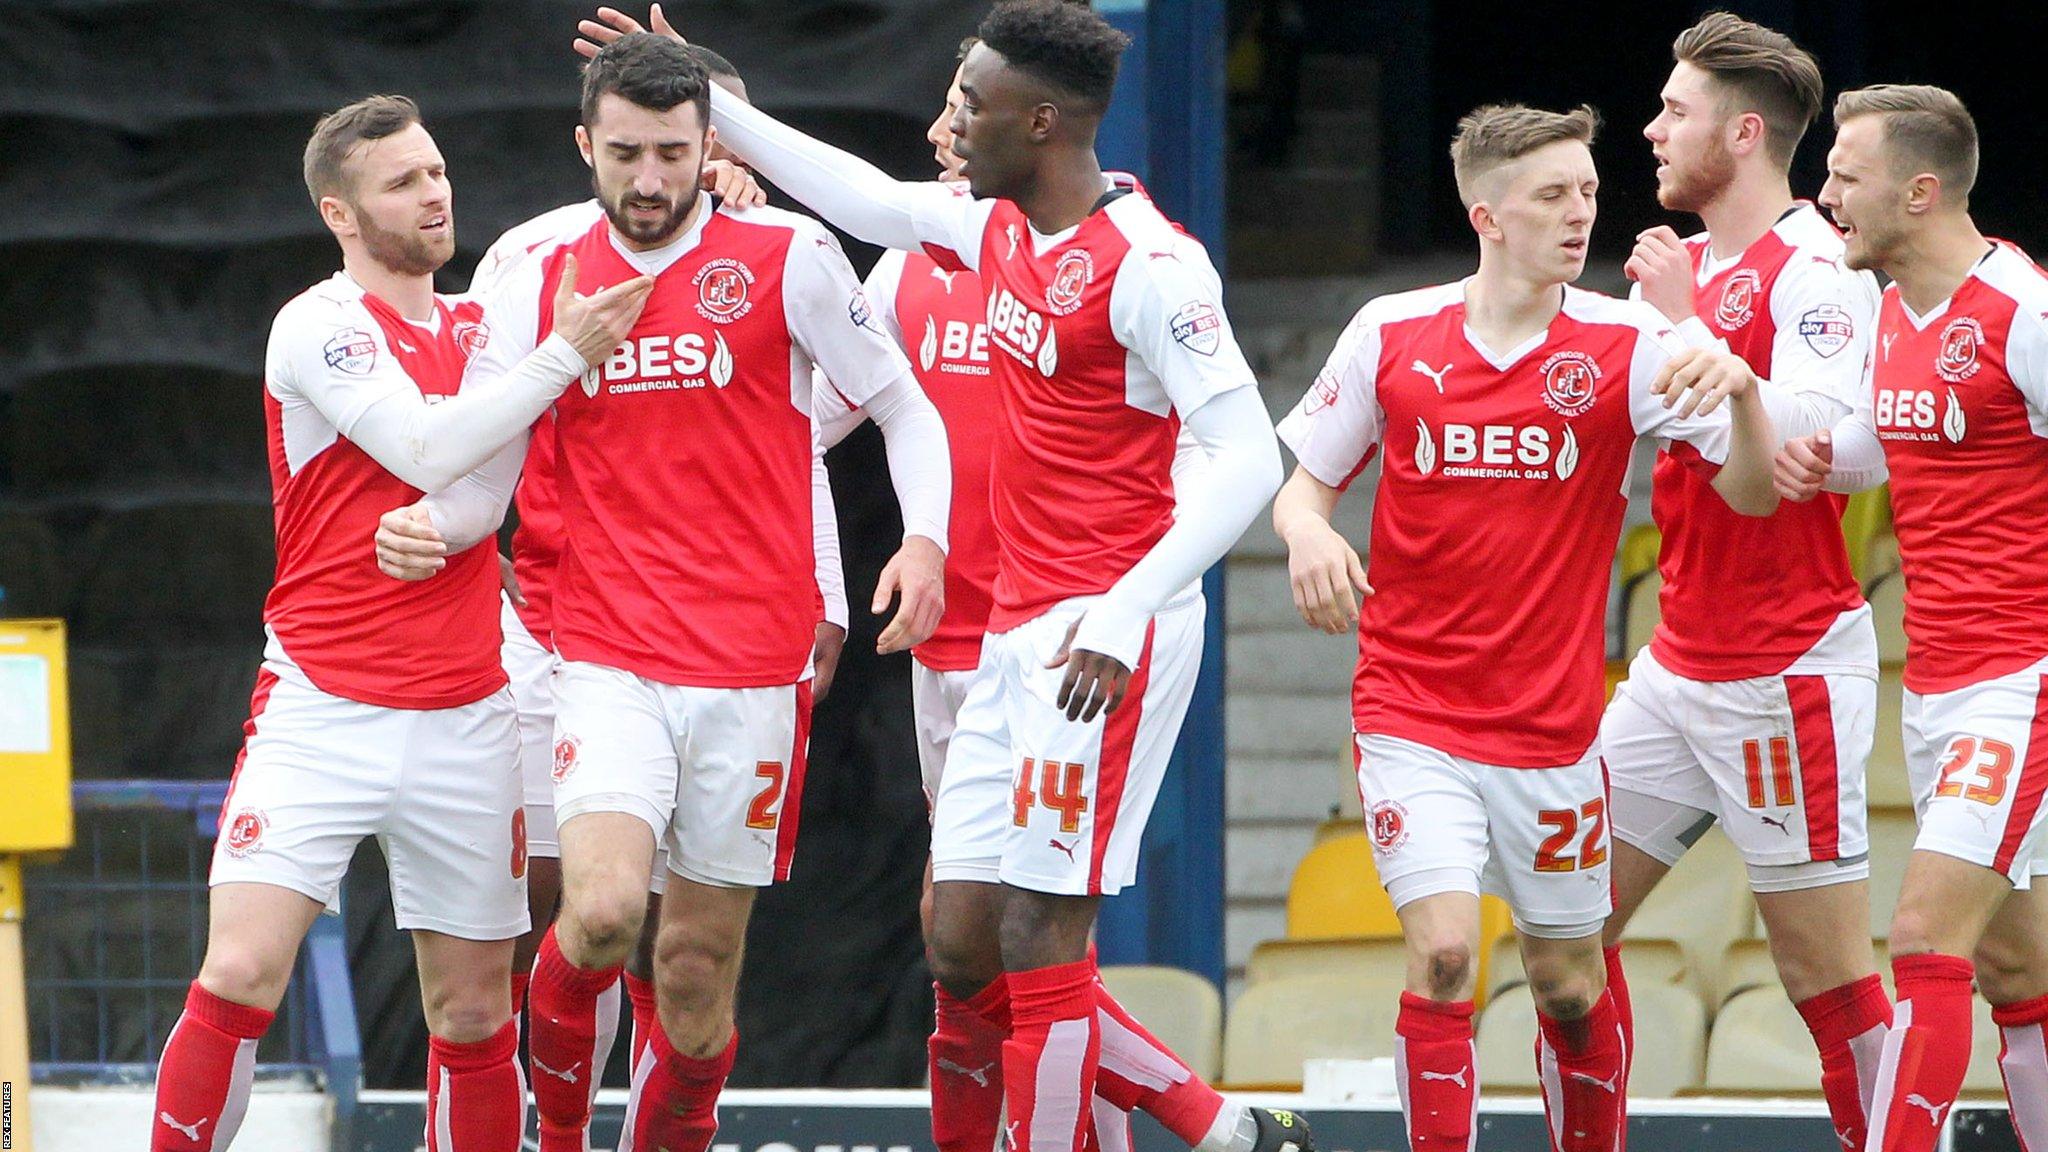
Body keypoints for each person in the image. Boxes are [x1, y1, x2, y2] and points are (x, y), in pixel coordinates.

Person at [684, 4, 1310, 1151]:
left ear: (1038, 120)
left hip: (1109, 634)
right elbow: (869, 201)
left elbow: (1243, 459)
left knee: (1037, 934)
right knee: (959, 938)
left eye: (968, 103)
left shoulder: (1153, 268)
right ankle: (1218, 1129)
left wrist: (1125, 608)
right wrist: (713, 106)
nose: (948, 123)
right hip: (1012, 628)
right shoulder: (992, 229)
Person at [1273, 102, 1795, 1152]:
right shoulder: (1388, 332)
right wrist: (1304, 537)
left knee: (1565, 981)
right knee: (1445, 958)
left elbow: (1751, 493)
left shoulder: (1627, 341)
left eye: (1589, 192)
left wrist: (1742, 394)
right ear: (1486, 216)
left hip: (1551, 734)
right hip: (1410, 711)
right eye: (1552, 195)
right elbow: (1300, 488)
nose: (1579, 214)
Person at [461, 37, 951, 1152]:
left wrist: (923, 540)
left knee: (691, 971)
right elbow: (474, 443)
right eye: (624, 152)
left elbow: (902, 405)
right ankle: (553, 1132)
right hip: (600, 650)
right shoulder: (533, 264)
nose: (647, 180)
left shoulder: (789, 255)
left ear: (709, 147)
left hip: (750, 664)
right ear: (585, 144)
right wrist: (439, 535)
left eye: (672, 154)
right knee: (594, 914)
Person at [151, 94, 650, 1151]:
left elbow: (583, 230)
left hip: (468, 713)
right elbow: (428, 448)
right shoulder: (318, 323)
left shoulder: (480, 330)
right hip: (320, 706)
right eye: (401, 182)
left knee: (472, 1015)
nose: (433, 194)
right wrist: (557, 357)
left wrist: (727, 164)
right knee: (238, 972)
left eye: (435, 172)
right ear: (340, 212)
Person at [1599, 14, 1889, 1145]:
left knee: (1820, 977)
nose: (1651, 128)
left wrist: (1685, 333)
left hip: (1785, 671)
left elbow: (1800, 451)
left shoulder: (1812, 266)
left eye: (1675, 111)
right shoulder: (1683, 273)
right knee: (1559, 929)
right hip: (1674, 667)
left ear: (1744, 131)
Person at [1775, 83, 2048, 1152]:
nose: (1826, 194)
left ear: (1919, 192)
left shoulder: (2021, 314)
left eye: (1845, 176)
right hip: (1931, 682)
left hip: (2015, 678)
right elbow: (1893, 443)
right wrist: (1816, 457)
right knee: (2012, 966)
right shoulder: (1891, 310)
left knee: (1922, 941)